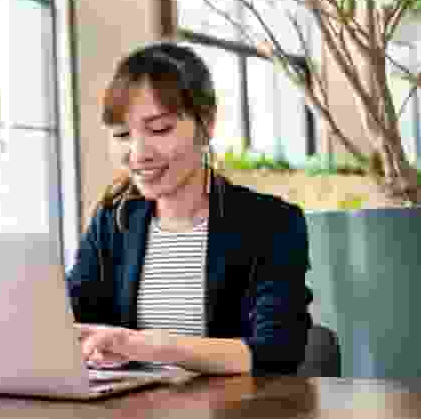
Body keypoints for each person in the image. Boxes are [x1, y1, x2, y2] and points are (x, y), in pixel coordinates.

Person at [66, 41, 313, 376]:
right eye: (122, 134)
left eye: (159, 129)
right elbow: (70, 316)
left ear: (206, 124)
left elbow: (275, 352)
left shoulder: (271, 223)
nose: (138, 154)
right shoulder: (114, 220)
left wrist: (141, 344)